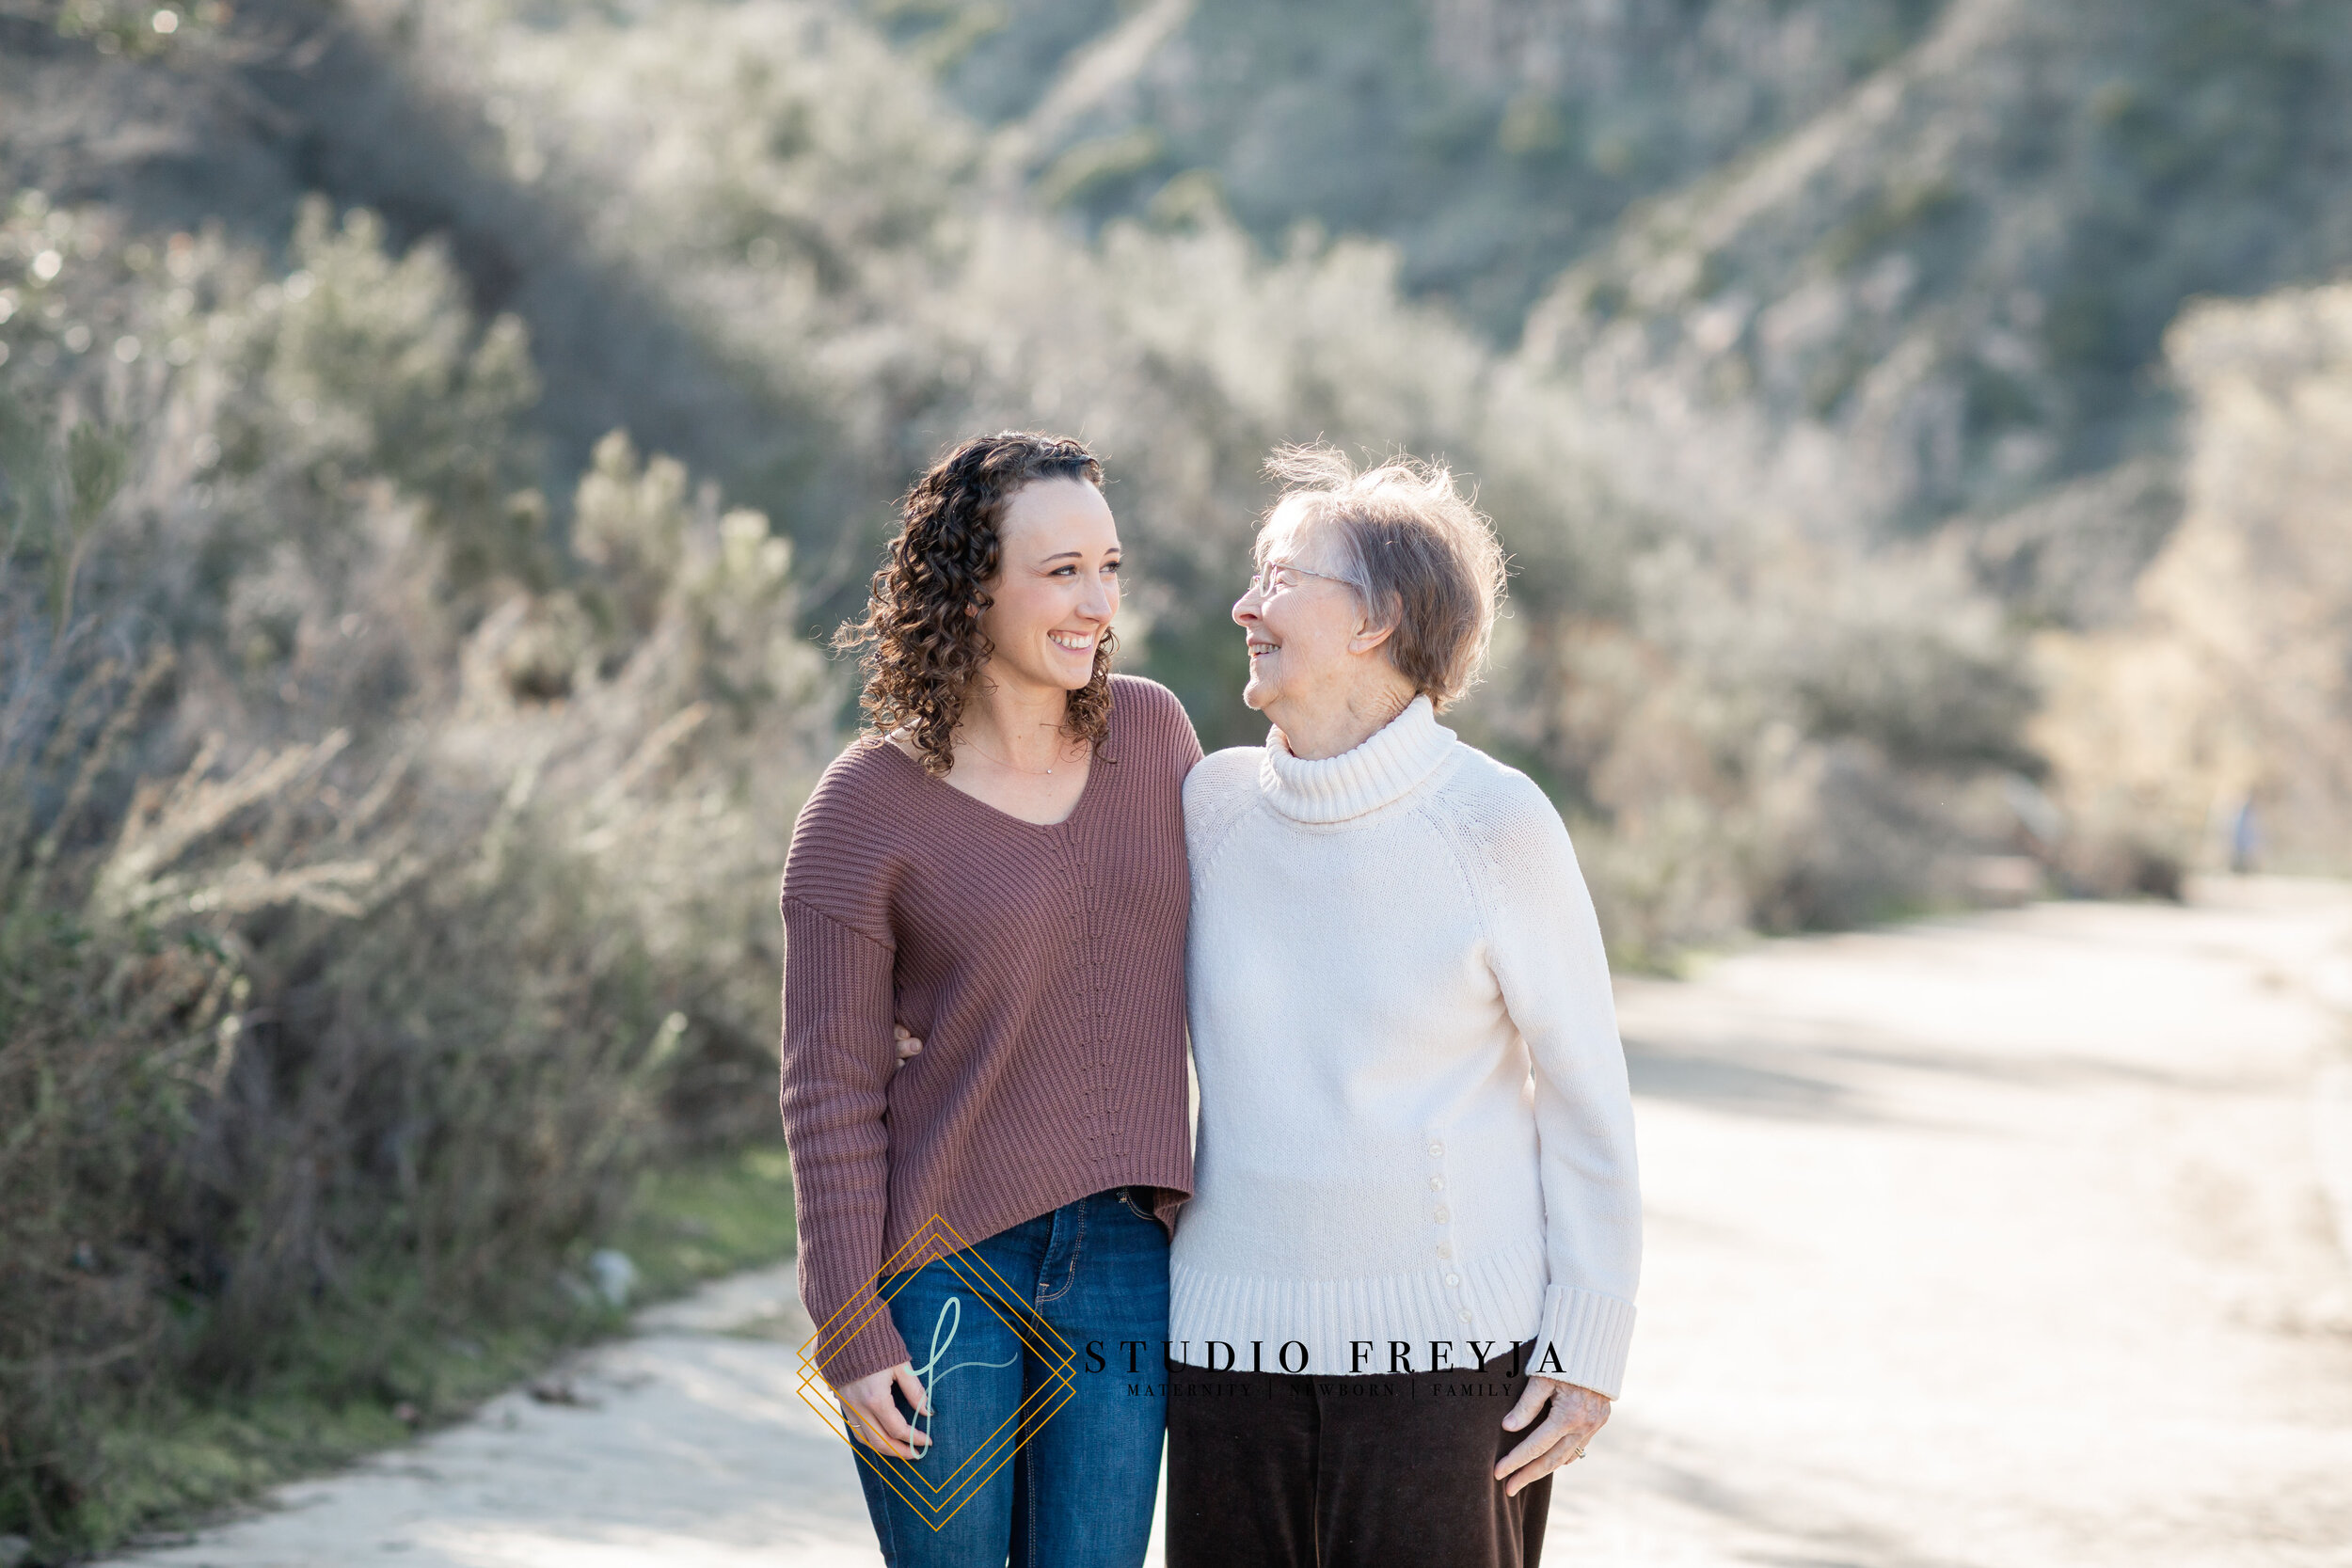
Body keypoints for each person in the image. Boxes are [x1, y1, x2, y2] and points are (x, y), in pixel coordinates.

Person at [1163, 445, 1642, 1568]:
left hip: (1448, 1370)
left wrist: (1588, 1341)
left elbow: (1585, 1094)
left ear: (1374, 619)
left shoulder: (1493, 821)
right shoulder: (1207, 806)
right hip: (1223, 1361)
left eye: (1280, 577)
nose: (1245, 603)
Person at [777, 432, 1200, 1568]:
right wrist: (847, 1324)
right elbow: (827, 1088)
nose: (1096, 601)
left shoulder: (1155, 739)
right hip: (943, 1265)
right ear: (971, 588)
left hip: (1123, 1259)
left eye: (1108, 567)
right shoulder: (865, 806)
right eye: (1061, 570)